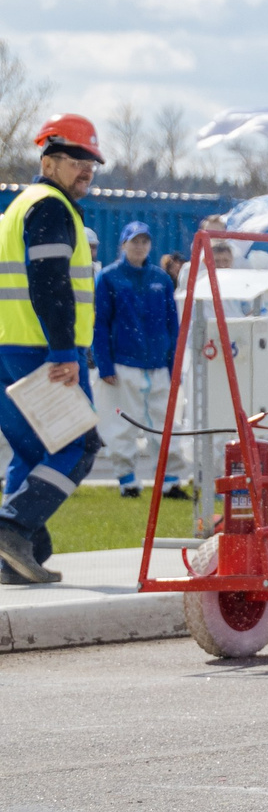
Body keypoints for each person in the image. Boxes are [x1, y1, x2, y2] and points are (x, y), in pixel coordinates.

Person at [0, 116, 108, 584]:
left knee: (29, 453)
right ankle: (14, 526)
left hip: (11, 347)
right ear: (48, 162)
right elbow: (49, 283)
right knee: (77, 445)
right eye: (76, 160)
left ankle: (15, 562)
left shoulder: (20, 207)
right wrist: (64, 349)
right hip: (44, 352)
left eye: (91, 162)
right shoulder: (50, 207)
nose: (85, 169)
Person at [93, 222, 181, 498]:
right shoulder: (109, 278)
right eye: (134, 241)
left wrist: (174, 364)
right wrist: (104, 364)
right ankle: (127, 480)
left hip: (157, 363)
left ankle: (169, 479)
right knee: (122, 424)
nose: (139, 246)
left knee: (166, 422)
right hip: (123, 363)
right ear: (123, 245)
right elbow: (100, 325)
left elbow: (172, 324)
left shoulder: (161, 279)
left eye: (144, 241)